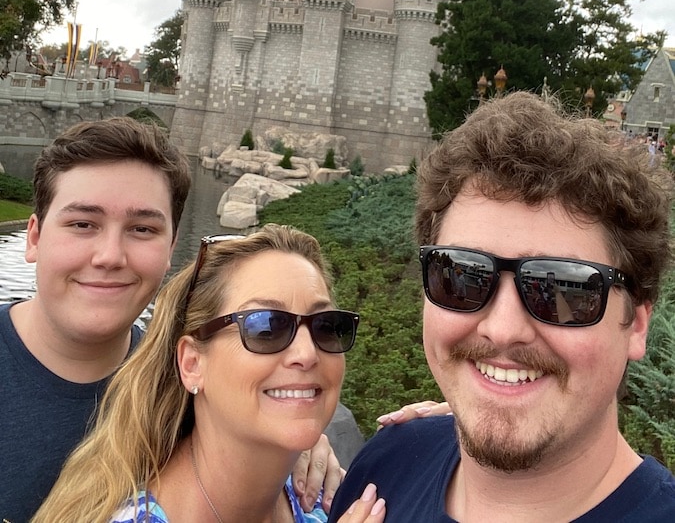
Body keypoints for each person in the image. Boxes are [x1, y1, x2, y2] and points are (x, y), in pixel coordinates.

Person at [330, 91, 675, 521]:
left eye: (563, 288)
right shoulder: (384, 470)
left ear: (636, 324)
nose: (503, 328)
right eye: (463, 276)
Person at [0, 117, 340, 523]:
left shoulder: (187, 391)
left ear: (171, 248)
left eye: (142, 229)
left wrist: (293, 436)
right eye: (82, 224)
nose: (110, 256)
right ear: (34, 237)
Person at [33, 224, 386, 523]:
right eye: (266, 327)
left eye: (326, 325)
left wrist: (441, 427)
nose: (307, 354)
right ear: (192, 364)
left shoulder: (316, 498)